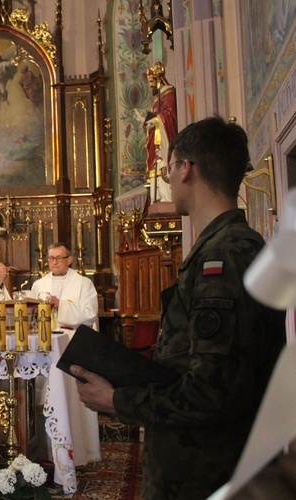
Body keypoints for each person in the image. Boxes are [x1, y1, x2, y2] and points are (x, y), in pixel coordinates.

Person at [72, 116, 287, 499]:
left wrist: (117, 400)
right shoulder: (222, 247)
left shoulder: (224, 256)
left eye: (168, 167)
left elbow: (213, 391)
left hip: (207, 471)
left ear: (186, 168)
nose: (168, 179)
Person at [27, 242, 98, 331]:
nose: (55, 262)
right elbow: (31, 315)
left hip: (73, 338)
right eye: (51, 258)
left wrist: (60, 305)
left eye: (59, 258)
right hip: (45, 337)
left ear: (69, 260)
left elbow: (90, 314)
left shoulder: (84, 284)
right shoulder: (39, 284)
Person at [141, 61, 178, 203]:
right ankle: (157, 197)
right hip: (155, 136)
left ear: (158, 79)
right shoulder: (157, 98)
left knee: (162, 162)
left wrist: (156, 120)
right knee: (154, 164)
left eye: (152, 82)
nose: (151, 85)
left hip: (164, 137)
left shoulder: (169, 92)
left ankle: (166, 196)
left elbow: (170, 115)